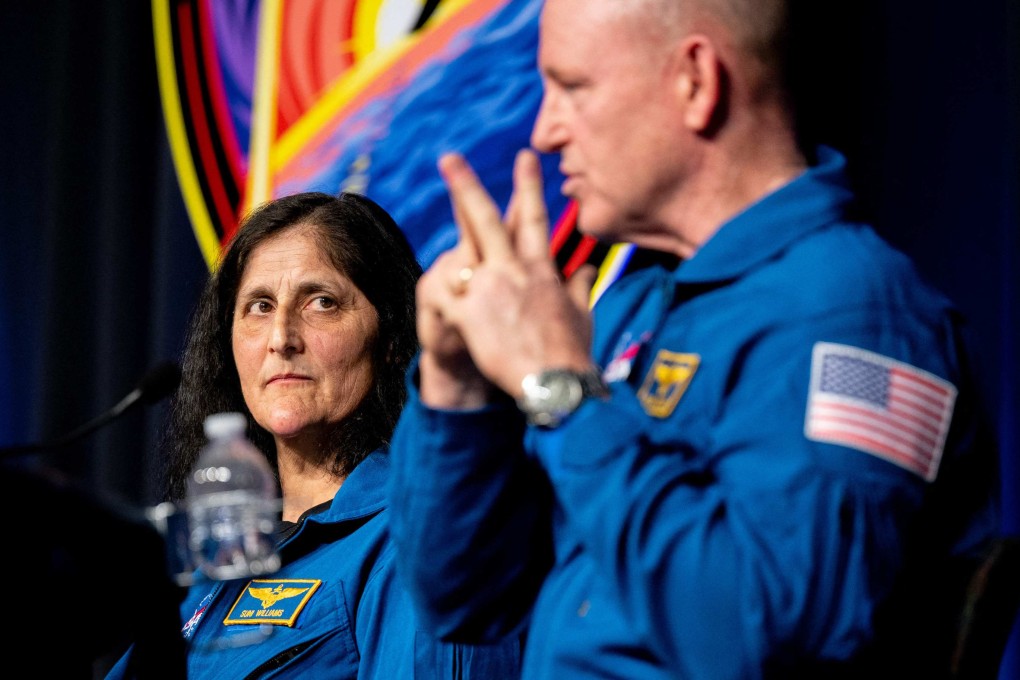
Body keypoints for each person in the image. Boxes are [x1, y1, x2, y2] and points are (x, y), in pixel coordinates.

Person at [387, 0, 1002, 678]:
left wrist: (556, 385)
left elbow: (767, 640)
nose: (545, 131)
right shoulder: (633, 309)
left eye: (572, 88)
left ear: (696, 82)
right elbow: (466, 600)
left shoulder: (854, 319)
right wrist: (459, 388)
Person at [106, 191, 521, 678]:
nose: (281, 337)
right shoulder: (208, 567)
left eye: (322, 303)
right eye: (259, 306)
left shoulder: (415, 538)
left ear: (388, 338)